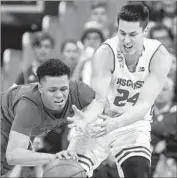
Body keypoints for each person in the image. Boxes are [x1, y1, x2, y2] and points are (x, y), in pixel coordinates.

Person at [67, 2, 172, 178]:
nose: (126, 40)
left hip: (133, 124)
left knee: (138, 173)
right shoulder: (105, 53)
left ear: (145, 32)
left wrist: (117, 123)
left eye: (133, 34)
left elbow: (144, 104)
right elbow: (99, 100)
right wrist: (86, 118)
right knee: (67, 173)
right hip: (100, 122)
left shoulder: (159, 56)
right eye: (122, 33)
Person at [1, 58, 95, 176]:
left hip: (27, 126)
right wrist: (54, 158)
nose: (59, 95)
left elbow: (101, 104)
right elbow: (13, 155)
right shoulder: (28, 106)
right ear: (40, 88)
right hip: (4, 119)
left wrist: (88, 117)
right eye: (52, 90)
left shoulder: (78, 91)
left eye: (63, 89)